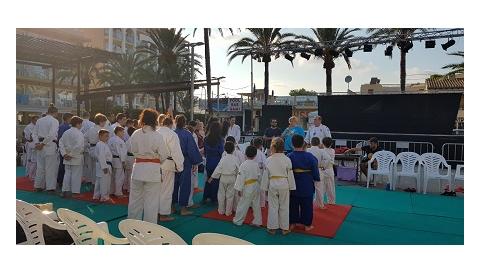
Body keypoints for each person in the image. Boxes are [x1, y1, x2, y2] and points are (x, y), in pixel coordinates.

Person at [127, 109, 169, 224]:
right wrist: (155, 159)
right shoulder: (157, 136)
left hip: (138, 169)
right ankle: (149, 231)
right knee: (151, 203)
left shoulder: (136, 134)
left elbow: (132, 150)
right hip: (152, 170)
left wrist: (142, 156)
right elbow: (164, 154)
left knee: (135, 201)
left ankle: (132, 228)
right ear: (154, 121)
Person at [261, 138, 295, 235]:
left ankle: (272, 228)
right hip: (284, 184)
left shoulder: (269, 160)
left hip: (273, 184)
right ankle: (284, 228)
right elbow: (290, 174)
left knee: (273, 206)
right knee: (284, 206)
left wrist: (264, 188)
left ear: (273, 147)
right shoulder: (287, 159)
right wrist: (291, 187)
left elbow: (265, 175)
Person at [288, 134, 320, 231]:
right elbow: (315, 171)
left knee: (293, 204)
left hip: (293, 183)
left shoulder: (289, 156)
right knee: (307, 205)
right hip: (306, 184)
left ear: (292, 144)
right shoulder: (310, 157)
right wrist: (316, 178)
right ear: (303, 144)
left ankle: (292, 223)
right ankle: (307, 225)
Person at [172, 115, 202, 216]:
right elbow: (192, 149)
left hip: (173, 161)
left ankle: (171, 207)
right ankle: (183, 209)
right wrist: (195, 162)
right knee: (185, 185)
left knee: (173, 184)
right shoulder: (187, 134)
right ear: (185, 123)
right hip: (185, 160)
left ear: (175, 122)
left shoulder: (172, 133)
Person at [157, 114, 184, 221]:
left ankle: (155, 212)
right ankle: (163, 214)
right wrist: (180, 166)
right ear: (171, 124)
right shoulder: (171, 134)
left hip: (155, 164)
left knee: (156, 190)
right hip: (167, 164)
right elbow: (176, 152)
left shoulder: (156, 132)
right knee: (166, 190)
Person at [32, 104, 59, 192]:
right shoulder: (54, 121)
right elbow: (51, 134)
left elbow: (34, 133)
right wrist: (43, 144)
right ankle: (50, 188)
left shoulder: (39, 120)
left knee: (40, 167)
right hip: (49, 145)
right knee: (50, 168)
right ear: (55, 113)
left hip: (40, 145)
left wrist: (37, 143)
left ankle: (38, 186)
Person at [233, 146, 262, 226]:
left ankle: (238, 221)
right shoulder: (256, 165)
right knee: (256, 205)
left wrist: (239, 189)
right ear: (255, 155)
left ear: (245, 154)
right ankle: (257, 221)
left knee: (243, 204)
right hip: (256, 186)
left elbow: (240, 178)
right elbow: (259, 176)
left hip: (247, 187)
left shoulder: (243, 165)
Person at [208, 141, 240, 216]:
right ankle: (228, 212)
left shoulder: (223, 159)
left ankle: (221, 210)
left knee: (221, 194)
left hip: (223, 178)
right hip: (232, 178)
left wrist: (212, 177)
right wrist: (239, 179)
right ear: (233, 150)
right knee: (230, 195)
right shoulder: (235, 159)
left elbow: (218, 168)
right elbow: (238, 170)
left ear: (225, 150)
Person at [58, 116, 84, 197]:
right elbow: (78, 146)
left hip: (67, 156)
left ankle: (65, 191)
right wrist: (71, 155)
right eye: (81, 124)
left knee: (67, 174)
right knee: (76, 175)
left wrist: (64, 154)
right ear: (77, 124)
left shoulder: (66, 132)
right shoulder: (79, 133)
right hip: (75, 156)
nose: (81, 126)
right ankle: (75, 193)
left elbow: (61, 143)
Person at [308, 137, 334, 208]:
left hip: (308, 171)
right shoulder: (321, 151)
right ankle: (321, 205)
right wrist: (324, 166)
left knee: (308, 187)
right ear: (319, 143)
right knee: (319, 188)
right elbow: (328, 159)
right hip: (318, 170)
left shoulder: (307, 150)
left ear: (311, 143)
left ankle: (308, 203)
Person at [203, 121, 224, 204]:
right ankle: (214, 198)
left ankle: (206, 196)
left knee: (208, 179)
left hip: (209, 161)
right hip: (217, 162)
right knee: (216, 180)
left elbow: (205, 151)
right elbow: (221, 151)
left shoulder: (206, 138)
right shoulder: (220, 139)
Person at [84, 113, 108, 185]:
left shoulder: (91, 129)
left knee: (91, 167)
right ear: (100, 122)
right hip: (99, 149)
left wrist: (88, 146)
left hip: (91, 148)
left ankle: (90, 181)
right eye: (104, 122)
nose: (104, 123)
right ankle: (95, 183)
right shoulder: (102, 130)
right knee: (97, 167)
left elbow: (84, 138)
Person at [93, 129, 113, 202]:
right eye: (105, 136)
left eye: (108, 136)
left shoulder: (101, 144)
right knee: (105, 182)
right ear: (100, 136)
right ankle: (104, 197)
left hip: (100, 164)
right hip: (104, 165)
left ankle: (96, 196)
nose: (107, 138)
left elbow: (97, 156)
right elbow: (101, 156)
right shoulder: (101, 144)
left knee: (99, 181)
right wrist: (104, 167)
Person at [108, 126, 127, 198]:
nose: (123, 133)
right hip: (119, 160)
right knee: (119, 177)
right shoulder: (119, 141)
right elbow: (121, 152)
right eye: (122, 132)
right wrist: (123, 161)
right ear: (118, 132)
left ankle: (111, 191)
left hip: (112, 159)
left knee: (113, 176)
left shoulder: (111, 139)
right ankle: (118, 193)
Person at [57, 112, 73, 188]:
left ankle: (60, 181)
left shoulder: (60, 126)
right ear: (68, 118)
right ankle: (63, 182)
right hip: (67, 148)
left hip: (61, 148)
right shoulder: (67, 128)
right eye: (71, 118)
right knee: (65, 166)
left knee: (61, 165)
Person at [252, 137, 267, 207]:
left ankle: (251, 204)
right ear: (261, 145)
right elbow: (265, 165)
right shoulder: (261, 154)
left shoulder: (250, 152)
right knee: (262, 189)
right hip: (260, 173)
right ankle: (262, 204)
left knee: (252, 189)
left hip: (251, 173)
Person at [24, 115, 39, 180]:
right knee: (29, 159)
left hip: (35, 144)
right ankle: (28, 174)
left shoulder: (37, 126)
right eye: (35, 120)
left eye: (37, 120)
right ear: (32, 120)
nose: (36, 121)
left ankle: (32, 174)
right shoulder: (29, 126)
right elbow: (30, 136)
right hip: (30, 144)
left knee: (34, 160)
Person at [124, 126, 136, 193]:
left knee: (127, 173)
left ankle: (125, 187)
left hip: (127, 157)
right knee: (131, 174)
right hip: (132, 158)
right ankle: (129, 188)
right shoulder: (134, 140)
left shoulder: (127, 140)